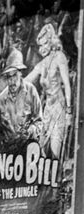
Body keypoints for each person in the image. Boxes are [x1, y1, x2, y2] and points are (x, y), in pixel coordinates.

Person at [25, 23, 72, 159]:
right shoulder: (43, 63)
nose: (41, 49)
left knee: (55, 148)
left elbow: (67, 85)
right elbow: (27, 81)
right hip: (47, 109)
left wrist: (69, 112)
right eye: (39, 45)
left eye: (44, 44)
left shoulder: (60, 57)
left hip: (59, 107)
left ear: (51, 41)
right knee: (43, 150)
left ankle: (57, 176)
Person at [0, 47, 43, 146]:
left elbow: (39, 123)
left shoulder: (31, 91)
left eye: (14, 75)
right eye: (8, 77)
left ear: (20, 74)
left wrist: (30, 132)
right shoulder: (2, 98)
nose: (12, 81)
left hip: (28, 148)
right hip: (8, 153)